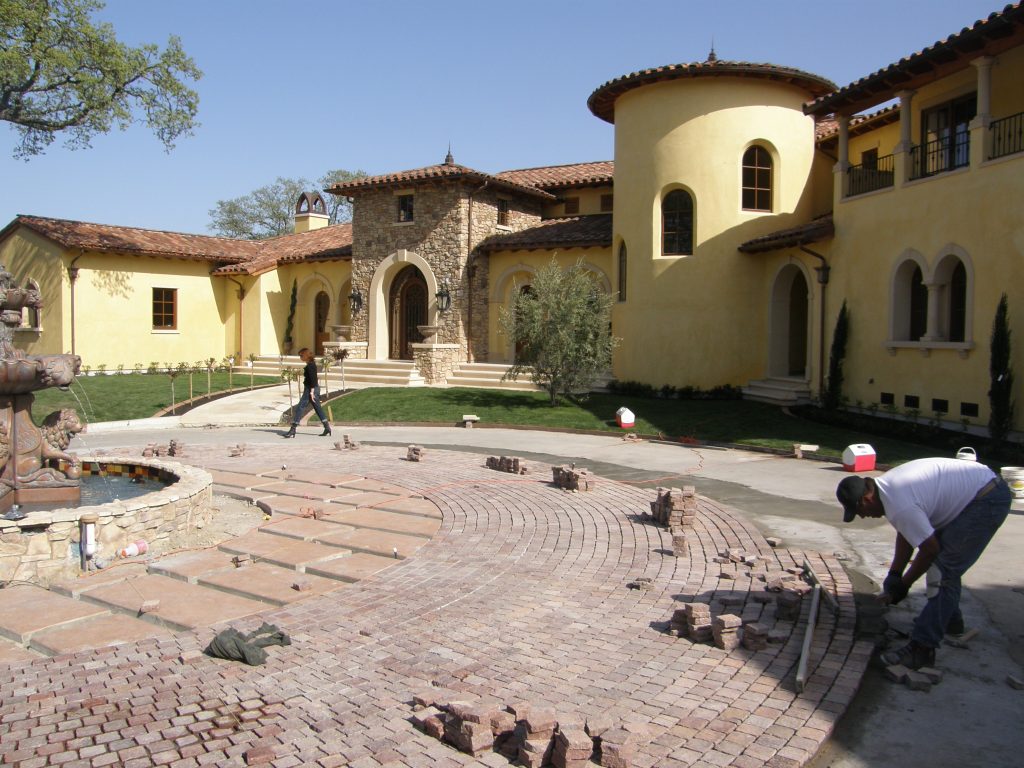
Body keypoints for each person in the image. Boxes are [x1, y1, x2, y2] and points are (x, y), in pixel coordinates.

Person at [836, 457, 1010, 669]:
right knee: (946, 567)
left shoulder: (898, 503)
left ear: (867, 499)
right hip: (978, 492)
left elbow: (929, 550)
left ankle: (922, 649)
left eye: (860, 512)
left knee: (942, 571)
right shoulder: (888, 489)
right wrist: (894, 575)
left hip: (985, 499)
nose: (863, 517)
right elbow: (907, 533)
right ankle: (948, 621)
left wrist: (904, 585)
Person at [283, 348, 331, 438]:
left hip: (310, 390)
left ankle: (293, 429)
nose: (300, 357)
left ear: (306, 355)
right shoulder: (310, 364)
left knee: (300, 407)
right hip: (311, 389)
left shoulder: (310, 366)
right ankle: (327, 427)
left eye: (301, 355)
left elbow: (313, 379)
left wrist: (312, 392)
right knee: (317, 408)